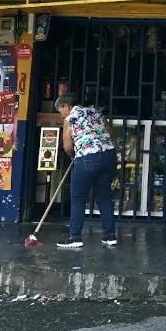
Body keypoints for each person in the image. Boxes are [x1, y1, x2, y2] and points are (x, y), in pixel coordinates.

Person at [55, 93, 117, 249]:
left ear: (66, 106)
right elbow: (110, 132)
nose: (60, 115)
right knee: (104, 196)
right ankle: (110, 235)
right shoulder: (95, 111)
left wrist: (74, 156)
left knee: (78, 197)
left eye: (60, 110)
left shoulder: (70, 119)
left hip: (88, 157)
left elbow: (67, 146)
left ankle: (75, 236)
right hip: (109, 156)